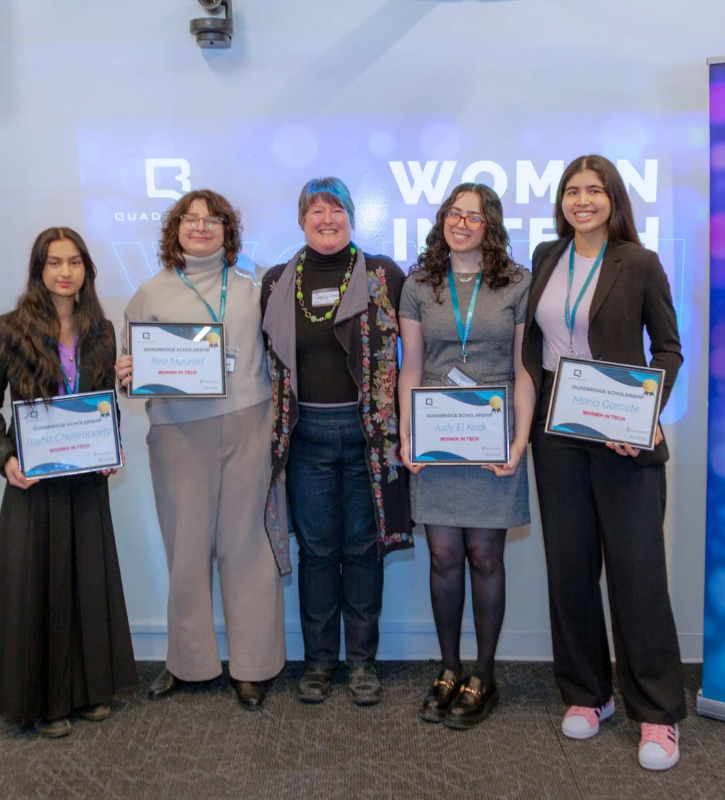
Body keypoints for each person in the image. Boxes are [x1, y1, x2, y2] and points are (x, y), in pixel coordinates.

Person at [522, 155, 686, 770]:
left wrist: (642, 415)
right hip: (556, 432)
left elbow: (668, 349)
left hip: (621, 435)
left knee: (637, 575)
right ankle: (588, 695)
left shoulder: (638, 262)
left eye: (594, 190)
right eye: (572, 190)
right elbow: (535, 345)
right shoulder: (546, 256)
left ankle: (658, 713)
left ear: (614, 198)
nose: (582, 200)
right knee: (569, 568)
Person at [115, 190, 287, 710]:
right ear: (175, 230)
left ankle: (253, 666)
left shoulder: (256, 287)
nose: (201, 227)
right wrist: (127, 376)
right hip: (178, 434)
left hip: (248, 425)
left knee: (247, 548)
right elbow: (131, 372)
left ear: (228, 231)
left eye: (212, 220)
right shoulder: (148, 294)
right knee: (186, 551)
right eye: (190, 220)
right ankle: (187, 663)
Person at [0, 227, 137, 738]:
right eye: (54, 262)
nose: (65, 272)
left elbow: (103, 401)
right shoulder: (9, 330)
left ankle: (88, 691)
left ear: (87, 269)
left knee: (87, 581)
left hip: (86, 480)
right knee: (38, 586)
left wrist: (112, 445)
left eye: (74, 262)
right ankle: (45, 701)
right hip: (34, 482)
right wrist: (4, 457)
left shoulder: (101, 331)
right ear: (38, 269)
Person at [261, 177, 411, 706]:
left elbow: (418, 350)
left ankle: (363, 663)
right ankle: (320, 661)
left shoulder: (385, 275)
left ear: (352, 216)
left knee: (365, 550)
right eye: (316, 211)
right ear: (301, 220)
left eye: (336, 210)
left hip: (370, 436)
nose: (327, 220)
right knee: (319, 552)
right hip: (306, 438)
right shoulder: (277, 282)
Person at [397, 183, 533, 729]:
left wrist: (520, 441)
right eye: (454, 214)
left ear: (490, 225)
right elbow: (411, 365)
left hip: (493, 433)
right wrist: (407, 433)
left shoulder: (517, 283)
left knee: (485, 556)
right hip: (437, 431)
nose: (461, 223)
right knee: (444, 556)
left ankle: (484, 674)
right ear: (442, 220)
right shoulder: (418, 285)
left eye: (474, 217)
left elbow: (524, 369)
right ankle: (449, 669)